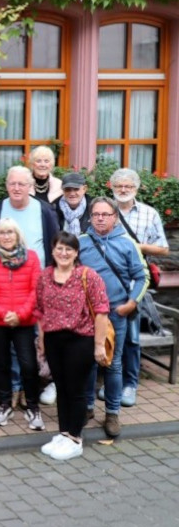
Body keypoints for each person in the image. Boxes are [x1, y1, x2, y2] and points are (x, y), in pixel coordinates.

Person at [35, 232, 111, 461]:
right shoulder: (45, 276)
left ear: (76, 252)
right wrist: (41, 341)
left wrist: (98, 345)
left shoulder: (88, 276)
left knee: (76, 390)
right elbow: (40, 310)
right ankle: (64, 432)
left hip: (81, 340)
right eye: (60, 248)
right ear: (53, 250)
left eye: (69, 249)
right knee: (61, 387)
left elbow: (101, 312)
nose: (64, 253)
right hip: (54, 339)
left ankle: (76, 438)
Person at [79, 197, 148, 438]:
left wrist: (131, 304)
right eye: (96, 214)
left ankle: (112, 412)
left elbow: (142, 277)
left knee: (113, 363)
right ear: (90, 217)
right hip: (87, 315)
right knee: (87, 362)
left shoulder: (128, 244)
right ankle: (86, 408)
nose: (100, 218)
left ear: (115, 217)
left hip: (116, 313)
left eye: (105, 214)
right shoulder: (81, 243)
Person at [109, 167, 169, 408]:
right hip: (109, 281)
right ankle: (112, 381)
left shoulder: (149, 213)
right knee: (109, 333)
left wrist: (136, 247)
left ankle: (130, 384)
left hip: (136, 281)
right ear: (111, 188)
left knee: (132, 338)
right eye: (119, 186)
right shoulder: (104, 210)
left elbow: (163, 248)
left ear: (136, 188)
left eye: (128, 186)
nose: (123, 190)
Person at [0, 219, 43, 429]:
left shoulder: (32, 257)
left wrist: (20, 314)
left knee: (28, 364)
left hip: (24, 320)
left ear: (18, 235)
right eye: (2, 233)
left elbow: (36, 290)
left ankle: (33, 406)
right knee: (2, 363)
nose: (6, 236)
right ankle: (5, 403)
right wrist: (2, 313)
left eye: (10, 232)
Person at [0, 165, 58, 267]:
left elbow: (54, 243)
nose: (16, 188)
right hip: (2, 276)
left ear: (30, 186)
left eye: (21, 184)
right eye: (12, 184)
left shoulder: (45, 210)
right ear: (7, 186)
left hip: (37, 275)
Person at [54, 171, 91, 236]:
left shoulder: (94, 207)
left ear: (84, 189)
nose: (72, 193)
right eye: (68, 189)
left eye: (76, 189)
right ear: (62, 190)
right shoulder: (53, 208)